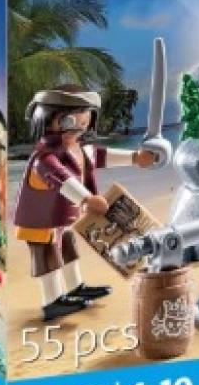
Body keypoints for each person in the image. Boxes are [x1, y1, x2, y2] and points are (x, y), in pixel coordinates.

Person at [13, 86, 158, 321]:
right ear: (48, 119)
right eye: (71, 119)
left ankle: (75, 287)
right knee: (48, 256)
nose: (79, 126)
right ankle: (52, 301)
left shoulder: (78, 150)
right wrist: (86, 199)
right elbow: (61, 179)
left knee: (68, 248)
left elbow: (102, 156)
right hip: (41, 221)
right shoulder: (45, 157)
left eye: (84, 119)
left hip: (61, 219)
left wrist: (135, 158)